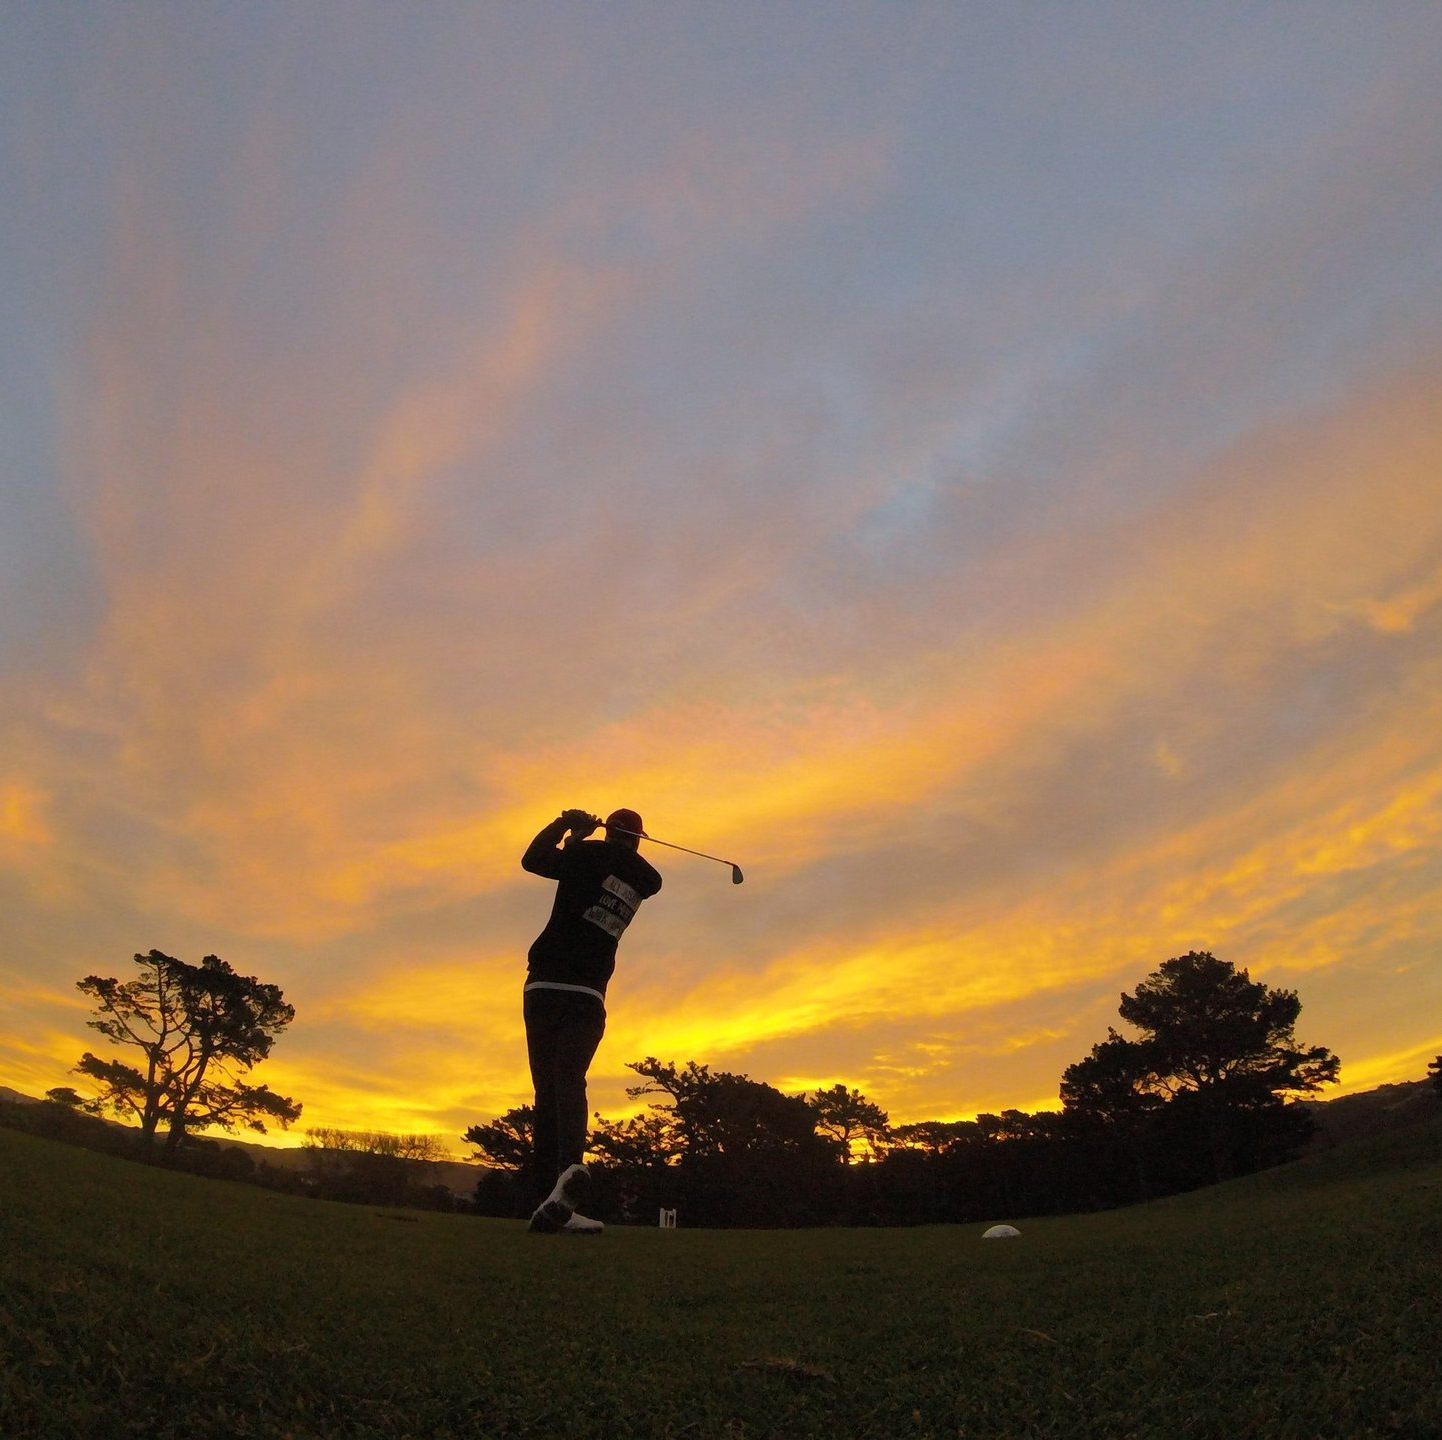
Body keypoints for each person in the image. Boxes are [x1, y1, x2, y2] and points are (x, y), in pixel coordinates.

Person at [520, 806, 662, 1234]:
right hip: (586, 993)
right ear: (637, 839)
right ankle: (563, 1185)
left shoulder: (582, 857)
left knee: (548, 1092)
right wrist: (586, 839)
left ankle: (550, 1195)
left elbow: (533, 859)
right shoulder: (646, 879)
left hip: (542, 984)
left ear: (609, 832)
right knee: (570, 1080)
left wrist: (569, 827)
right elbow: (615, 868)